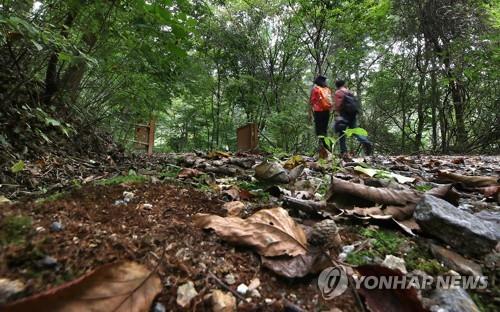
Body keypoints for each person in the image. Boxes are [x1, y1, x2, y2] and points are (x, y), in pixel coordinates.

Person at [333, 79, 373, 159]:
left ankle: (343, 152)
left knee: (341, 132)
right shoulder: (349, 91)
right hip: (353, 114)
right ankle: (365, 141)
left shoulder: (338, 92)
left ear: (337, 85)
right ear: (343, 84)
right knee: (354, 129)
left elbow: (338, 104)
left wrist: (337, 114)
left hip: (344, 114)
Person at [309, 75, 333, 159]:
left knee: (319, 131)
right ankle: (326, 149)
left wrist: (310, 113)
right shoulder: (327, 89)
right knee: (324, 130)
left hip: (319, 112)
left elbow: (312, 101)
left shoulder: (315, 89)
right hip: (327, 111)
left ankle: (328, 148)